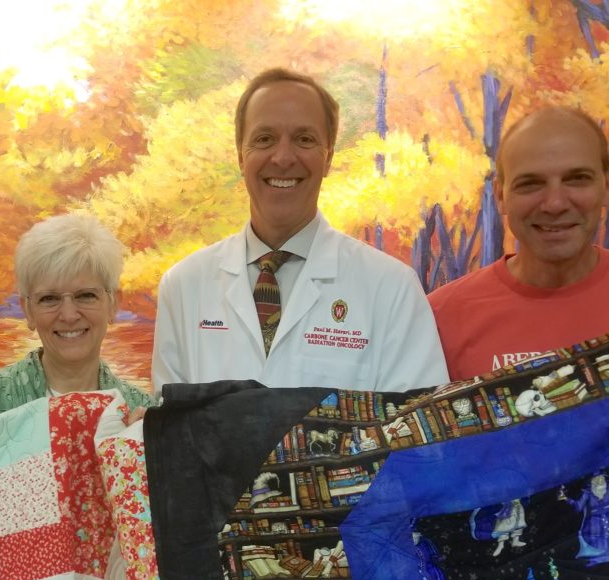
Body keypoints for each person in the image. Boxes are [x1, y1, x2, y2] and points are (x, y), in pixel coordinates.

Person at [151, 68, 448, 392]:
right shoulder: (184, 286)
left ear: (328, 157)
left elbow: (419, 431)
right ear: (240, 156)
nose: (282, 157)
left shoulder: (392, 289)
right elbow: (170, 428)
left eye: (304, 139)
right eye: (264, 139)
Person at [429, 106, 609, 381]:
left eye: (577, 179)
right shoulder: (437, 322)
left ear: (607, 186)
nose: (555, 203)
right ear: (500, 196)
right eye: (530, 184)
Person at [0, 214, 155, 437]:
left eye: (86, 296)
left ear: (113, 303)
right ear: (28, 310)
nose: (69, 315)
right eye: (49, 298)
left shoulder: (146, 413)